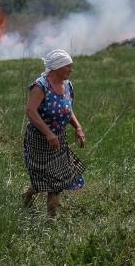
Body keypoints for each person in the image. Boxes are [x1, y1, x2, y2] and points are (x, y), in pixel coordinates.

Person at [21, 49, 86, 218]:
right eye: (68, 67)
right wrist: (48, 134)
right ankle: (31, 200)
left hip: (59, 139)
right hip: (39, 140)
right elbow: (31, 111)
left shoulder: (67, 86)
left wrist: (77, 128)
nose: (71, 70)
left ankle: (50, 219)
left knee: (56, 181)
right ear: (57, 68)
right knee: (47, 178)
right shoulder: (41, 86)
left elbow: (67, 110)